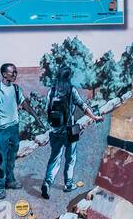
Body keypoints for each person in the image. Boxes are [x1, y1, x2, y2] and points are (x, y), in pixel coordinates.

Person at [40, 65, 101, 200]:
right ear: (69, 77)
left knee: (54, 158)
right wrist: (95, 117)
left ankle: (47, 182)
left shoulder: (52, 91)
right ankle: (68, 184)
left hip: (55, 131)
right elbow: (83, 106)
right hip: (69, 131)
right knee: (70, 158)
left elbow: (47, 110)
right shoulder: (71, 90)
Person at [0, 62, 28, 200]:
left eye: (15, 72)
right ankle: (0, 185)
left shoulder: (16, 89)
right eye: (12, 72)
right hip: (0, 130)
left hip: (14, 128)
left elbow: (25, 104)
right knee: (1, 158)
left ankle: (10, 180)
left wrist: (37, 118)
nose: (15, 74)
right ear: (4, 74)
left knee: (12, 156)